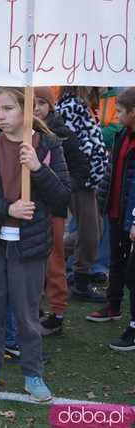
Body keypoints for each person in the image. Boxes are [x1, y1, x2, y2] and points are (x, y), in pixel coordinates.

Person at [0, 87, 70, 402]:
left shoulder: (47, 146)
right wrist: (7, 209)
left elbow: (62, 199)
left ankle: (33, 375)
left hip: (30, 245)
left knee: (26, 314)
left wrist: (38, 169)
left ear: (26, 109)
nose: (1, 116)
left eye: (8, 108)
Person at [33, 87, 90, 335]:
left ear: (51, 106)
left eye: (41, 103)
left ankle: (56, 313)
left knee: (54, 259)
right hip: (29, 208)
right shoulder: (23, 131)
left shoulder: (62, 133)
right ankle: (32, 309)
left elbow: (80, 168)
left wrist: (63, 189)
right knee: (30, 261)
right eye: (31, 103)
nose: (35, 108)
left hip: (53, 209)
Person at [56, 86, 107, 302]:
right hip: (79, 180)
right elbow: (70, 146)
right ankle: (80, 282)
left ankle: (53, 253)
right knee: (90, 233)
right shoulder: (71, 107)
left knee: (95, 230)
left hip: (88, 179)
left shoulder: (83, 105)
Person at [92, 88, 135, 330]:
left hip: (130, 214)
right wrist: (104, 202)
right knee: (117, 262)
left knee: (130, 270)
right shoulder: (121, 136)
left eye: (119, 112)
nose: (116, 116)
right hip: (117, 210)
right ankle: (113, 306)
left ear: (133, 112)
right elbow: (111, 173)